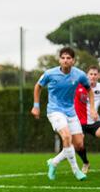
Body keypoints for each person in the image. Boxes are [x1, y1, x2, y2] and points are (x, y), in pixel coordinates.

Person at [31, 47, 97, 181]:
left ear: (73, 61)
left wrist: (92, 108)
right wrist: (36, 106)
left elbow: (89, 90)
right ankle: (76, 170)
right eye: (63, 58)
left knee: (78, 144)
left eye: (68, 58)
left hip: (70, 112)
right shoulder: (50, 73)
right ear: (59, 60)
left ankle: (54, 162)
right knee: (66, 137)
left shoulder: (79, 75)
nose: (65, 60)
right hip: (55, 111)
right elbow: (38, 86)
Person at [74, 65, 100, 174]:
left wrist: (94, 111)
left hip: (95, 121)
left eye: (95, 74)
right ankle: (85, 162)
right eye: (91, 74)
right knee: (78, 144)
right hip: (80, 122)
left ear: (98, 76)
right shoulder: (78, 86)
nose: (93, 76)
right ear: (87, 75)